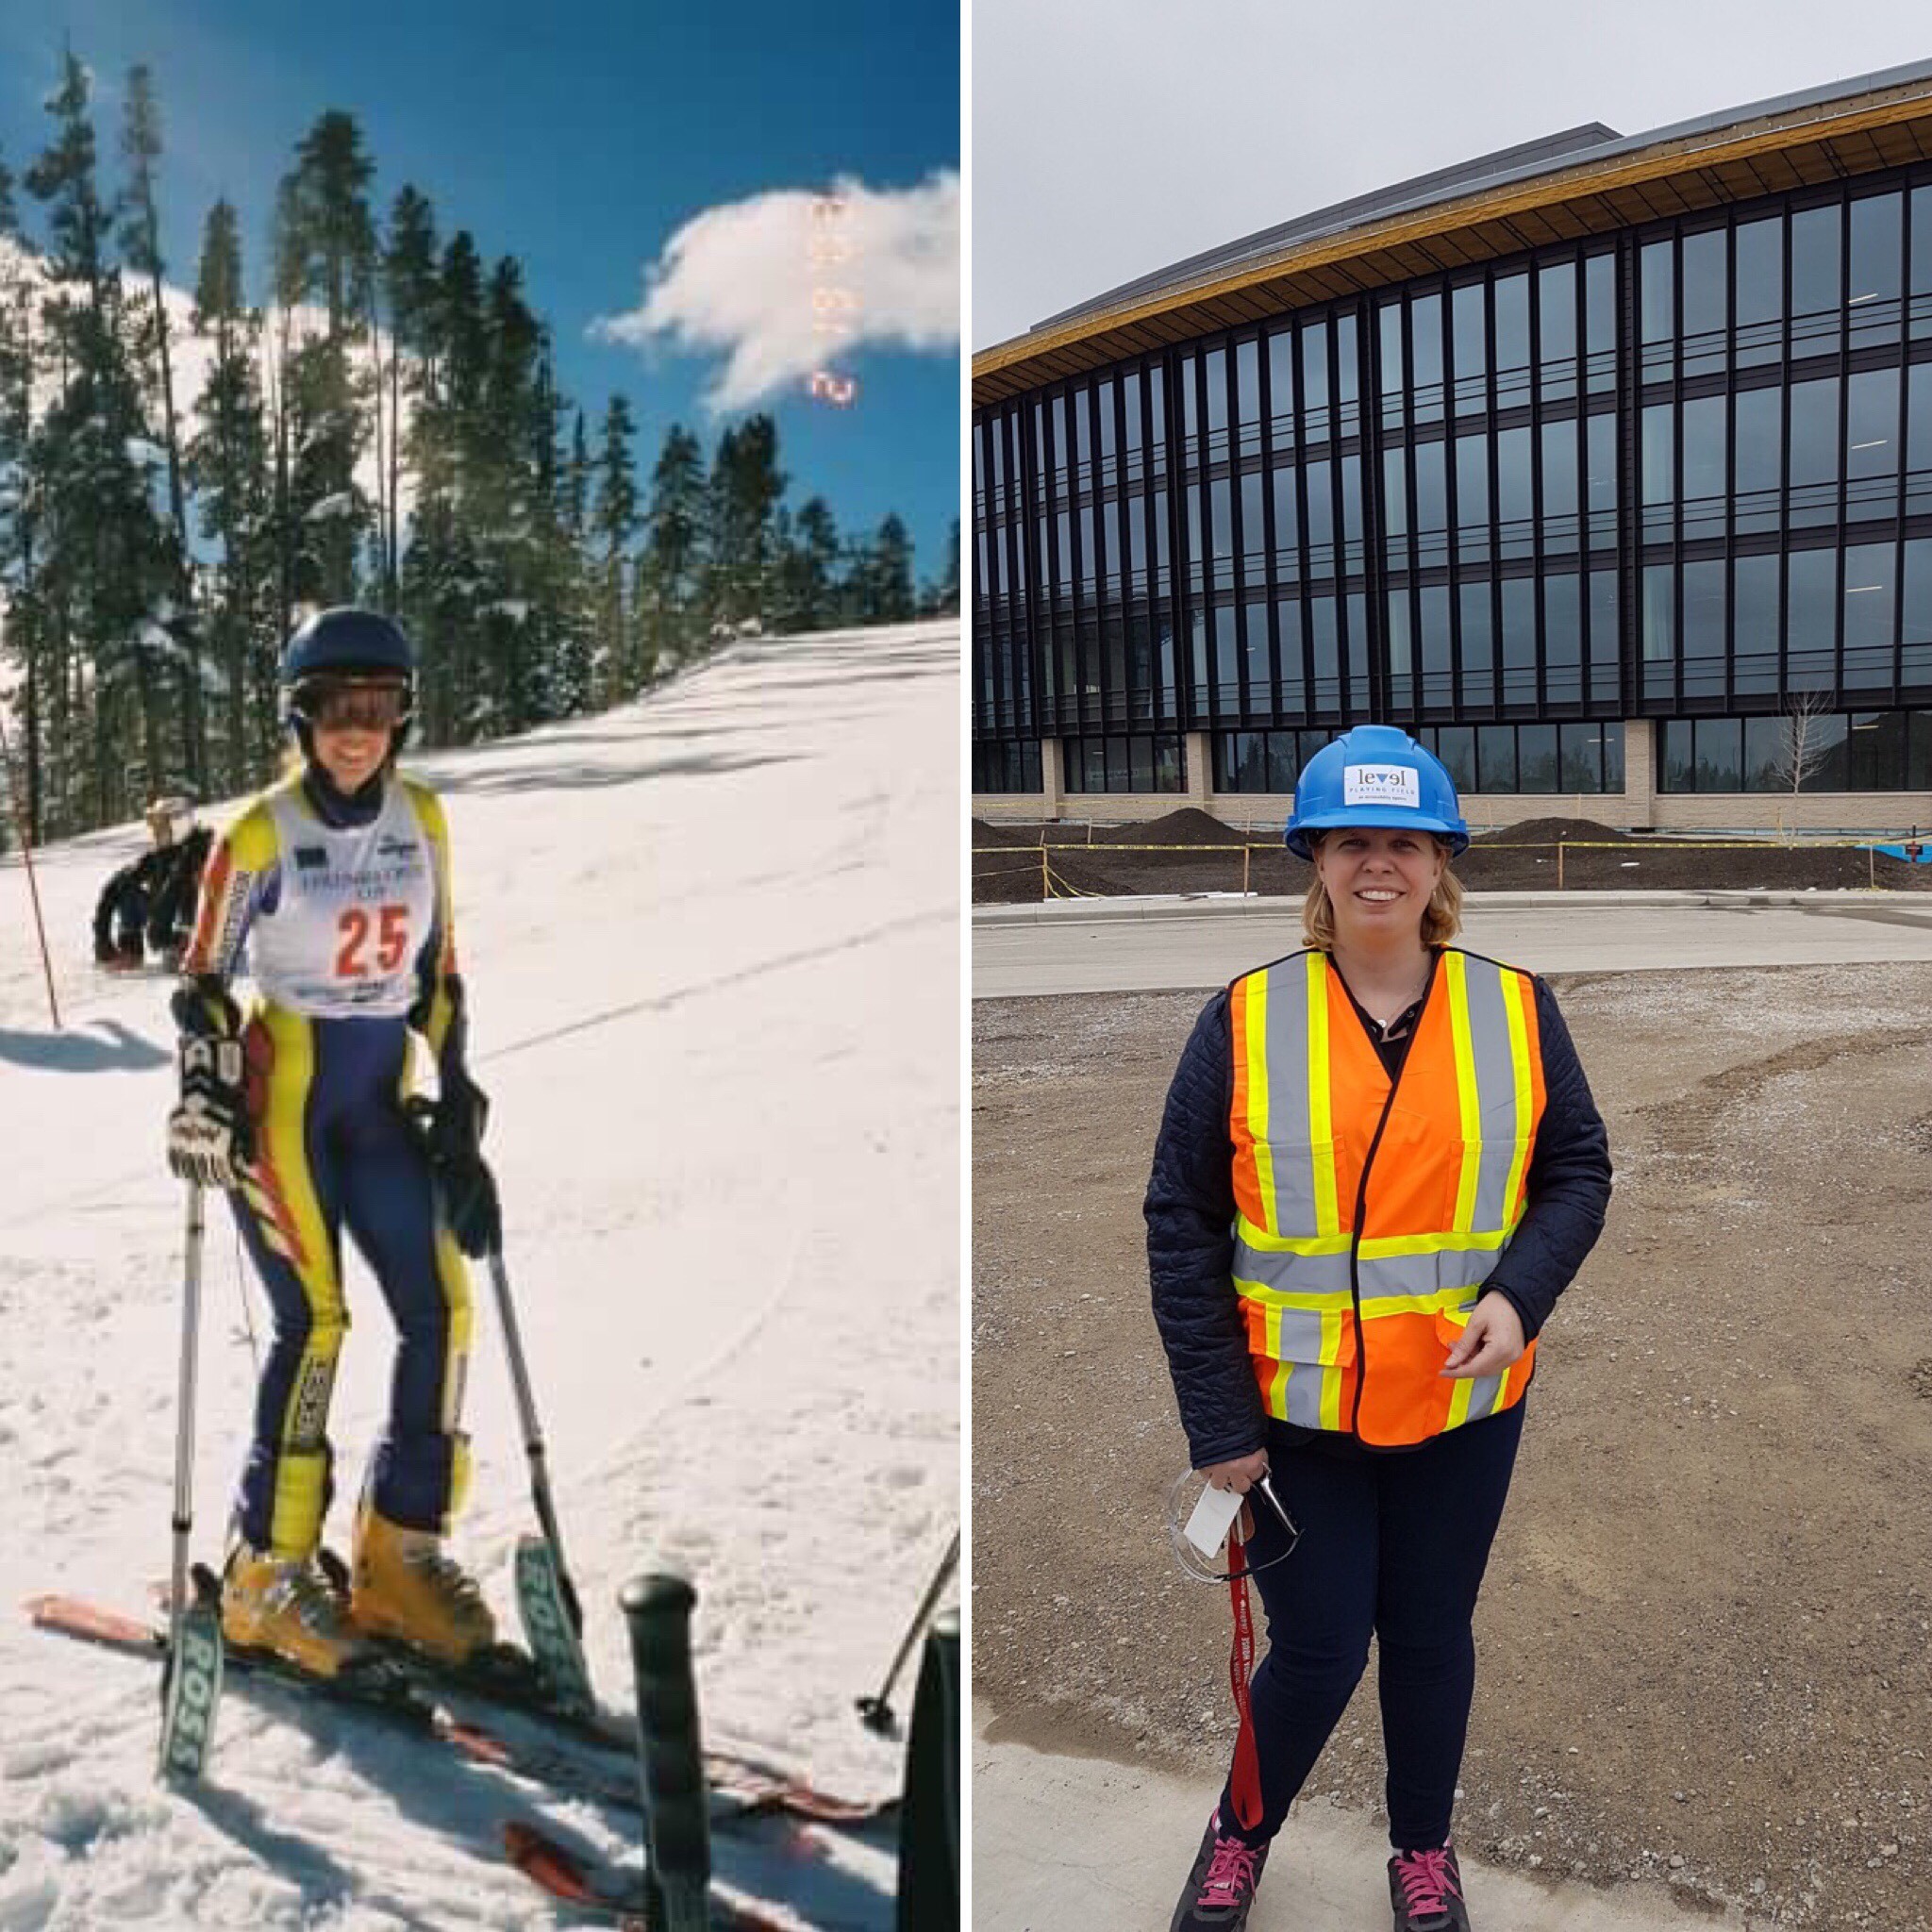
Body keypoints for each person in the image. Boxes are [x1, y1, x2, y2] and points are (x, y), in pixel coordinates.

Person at [1147, 724, 1611, 1932]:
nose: (1376, 866)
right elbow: (1181, 1220)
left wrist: (1516, 1297)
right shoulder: (1243, 1019)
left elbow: (1576, 1170)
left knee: (1425, 1638)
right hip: (1296, 1424)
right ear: (1314, 858)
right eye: (1351, 840)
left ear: (1438, 861)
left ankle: (1422, 1849)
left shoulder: (1514, 1008)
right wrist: (1217, 1422)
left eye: (1401, 842)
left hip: (1461, 1413)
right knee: (1313, 1652)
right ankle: (1237, 1836)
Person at [165, 607, 504, 1680]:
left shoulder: (425, 821)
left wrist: (456, 1099)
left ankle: (398, 1552)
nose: (355, 731)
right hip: (284, 1107)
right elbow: (203, 980)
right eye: (332, 709)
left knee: (441, 1309)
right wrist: (209, 1083)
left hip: (376, 1104)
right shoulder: (258, 833)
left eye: (376, 707)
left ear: (402, 716)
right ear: (299, 717)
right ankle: (268, 1567)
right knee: (315, 1320)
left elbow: (437, 972)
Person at [93, 799, 190, 968]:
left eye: (161, 826)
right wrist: (103, 940)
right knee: (124, 885)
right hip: (161, 918)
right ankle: (131, 950)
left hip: (190, 924)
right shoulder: (155, 858)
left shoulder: (196, 856)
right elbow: (113, 888)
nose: (155, 833)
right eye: (154, 827)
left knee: (184, 897)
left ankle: (182, 946)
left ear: (178, 826)